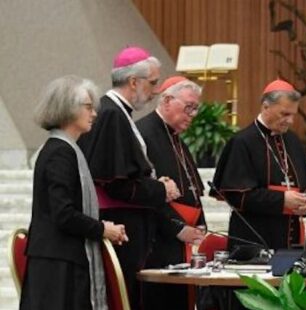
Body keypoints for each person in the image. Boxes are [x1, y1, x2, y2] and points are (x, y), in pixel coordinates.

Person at [77, 46, 179, 310]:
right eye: (153, 82)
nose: (156, 90)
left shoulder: (116, 112)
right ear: (134, 82)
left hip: (128, 225)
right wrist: (159, 190)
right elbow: (115, 183)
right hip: (121, 226)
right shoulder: (111, 114)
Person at [21, 75, 129, 310]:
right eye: (88, 107)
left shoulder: (65, 149)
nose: (94, 114)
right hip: (58, 265)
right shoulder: (61, 152)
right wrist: (102, 229)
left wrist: (103, 227)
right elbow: (63, 214)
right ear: (67, 109)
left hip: (61, 258)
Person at [212, 78, 306, 251]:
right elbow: (236, 196)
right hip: (253, 239)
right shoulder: (242, 142)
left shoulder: (292, 140)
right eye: (285, 114)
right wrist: (282, 200)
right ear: (265, 107)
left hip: (290, 239)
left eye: (293, 114)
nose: (290, 121)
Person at [137, 76, 207, 310]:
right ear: (167, 100)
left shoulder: (175, 137)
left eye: (195, 108)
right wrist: (177, 228)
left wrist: (200, 225)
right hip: (158, 241)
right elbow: (144, 191)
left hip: (181, 241)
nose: (193, 114)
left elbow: (192, 191)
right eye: (189, 106)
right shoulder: (143, 133)